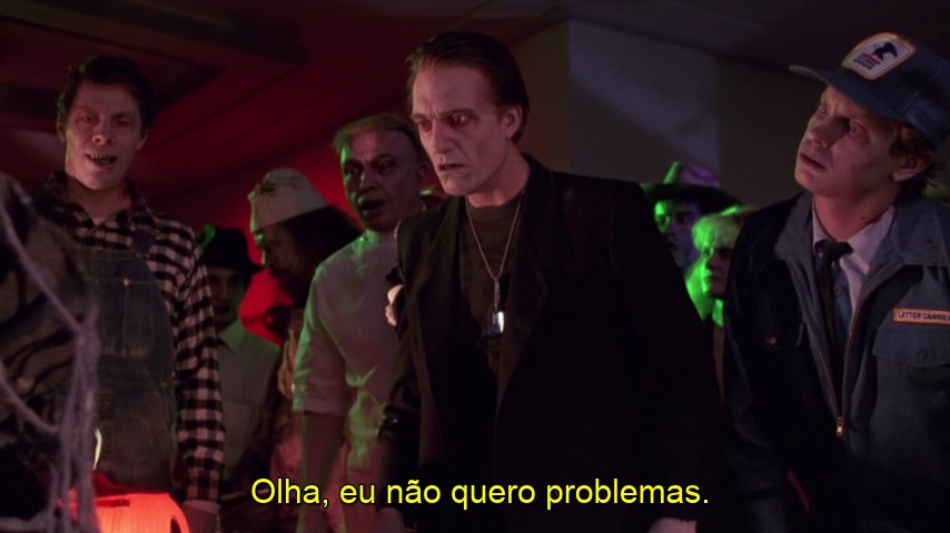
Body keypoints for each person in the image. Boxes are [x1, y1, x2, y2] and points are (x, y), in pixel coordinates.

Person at [373, 32, 720, 533]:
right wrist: (389, 502)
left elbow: (681, 371)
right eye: (424, 124)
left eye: (458, 120)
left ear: (510, 119)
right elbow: (410, 390)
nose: (438, 142)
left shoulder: (599, 215)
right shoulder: (421, 238)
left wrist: (678, 510)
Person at [724, 32, 950, 532]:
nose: (818, 133)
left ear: (908, 163)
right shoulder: (763, 244)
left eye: (853, 128)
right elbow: (748, 424)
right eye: (823, 108)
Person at [35, 55, 224, 533]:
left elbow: (200, 384)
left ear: (141, 137)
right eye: (88, 119)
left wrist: (202, 502)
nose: (103, 135)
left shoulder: (175, 245)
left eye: (121, 122)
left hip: (140, 509)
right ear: (61, 128)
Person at [294, 114, 429, 533]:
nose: (365, 182)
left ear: (420, 173)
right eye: (353, 171)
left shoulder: (458, 242)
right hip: (371, 477)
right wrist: (310, 508)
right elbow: (322, 401)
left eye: (384, 166)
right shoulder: (333, 276)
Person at [247, 168, 360, 531]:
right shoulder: (301, 316)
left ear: (308, 237)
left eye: (274, 246)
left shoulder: (354, 301)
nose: (267, 262)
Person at [197, 225, 282, 532]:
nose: (224, 295)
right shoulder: (172, 349)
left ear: (246, 286)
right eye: (213, 281)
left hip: (234, 513)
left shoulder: (268, 360)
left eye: (234, 282)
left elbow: (272, 444)